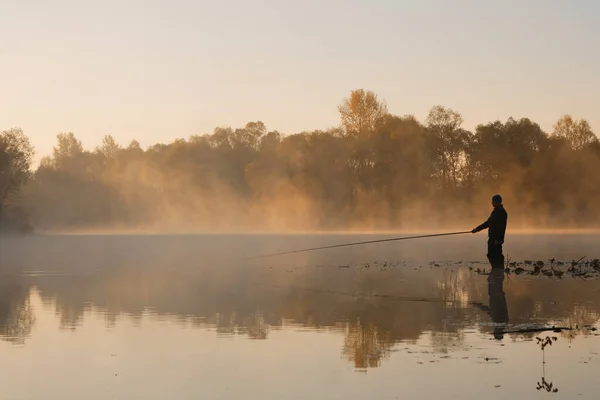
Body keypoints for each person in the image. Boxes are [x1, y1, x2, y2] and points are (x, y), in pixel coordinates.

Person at [472, 194, 508, 268]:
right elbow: (489, 222)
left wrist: (477, 229)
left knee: (494, 254)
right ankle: (496, 269)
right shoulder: (497, 211)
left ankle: (498, 270)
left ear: (497, 202)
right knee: (492, 254)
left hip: (496, 238)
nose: (492, 203)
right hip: (494, 237)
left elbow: (489, 223)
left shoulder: (500, 212)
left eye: (493, 201)